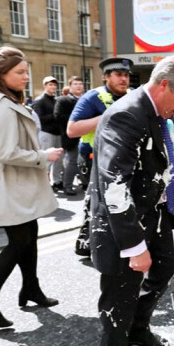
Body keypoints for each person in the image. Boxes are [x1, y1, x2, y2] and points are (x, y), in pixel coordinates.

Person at [89, 55, 174, 346]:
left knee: (166, 268)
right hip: (122, 223)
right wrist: (134, 246)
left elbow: (165, 156)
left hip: (150, 214)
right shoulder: (128, 113)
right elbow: (114, 183)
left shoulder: (155, 110)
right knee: (120, 294)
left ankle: (137, 329)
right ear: (165, 85)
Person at [0, 47, 63, 328]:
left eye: (27, 71)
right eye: (19, 72)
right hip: (6, 184)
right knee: (19, 243)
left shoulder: (8, 100)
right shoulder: (0, 107)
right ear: (1, 75)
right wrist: (45, 157)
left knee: (30, 236)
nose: (26, 76)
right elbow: (5, 152)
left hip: (18, 183)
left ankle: (30, 289)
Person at [67, 57, 132, 257]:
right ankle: (89, 243)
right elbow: (72, 129)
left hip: (123, 159)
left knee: (120, 202)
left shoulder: (132, 96)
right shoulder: (93, 97)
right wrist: (107, 115)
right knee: (96, 203)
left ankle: (115, 243)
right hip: (93, 159)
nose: (124, 79)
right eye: (118, 75)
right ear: (106, 77)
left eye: (126, 75)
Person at [53, 76, 85, 195]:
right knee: (73, 161)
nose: (78, 86)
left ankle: (85, 182)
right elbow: (58, 116)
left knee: (85, 161)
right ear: (70, 86)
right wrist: (77, 120)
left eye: (80, 84)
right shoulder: (63, 100)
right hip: (72, 136)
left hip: (88, 135)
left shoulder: (87, 99)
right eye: (75, 84)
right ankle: (68, 186)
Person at [32, 76, 64, 191]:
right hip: (46, 132)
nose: (53, 87)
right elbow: (39, 118)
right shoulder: (39, 100)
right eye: (50, 84)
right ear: (44, 86)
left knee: (58, 159)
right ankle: (45, 183)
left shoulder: (56, 100)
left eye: (54, 85)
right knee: (47, 159)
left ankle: (57, 181)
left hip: (57, 132)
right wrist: (55, 115)